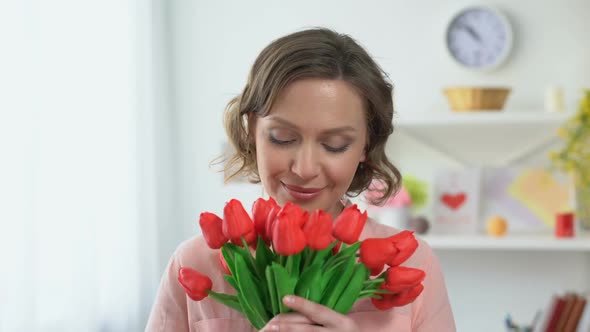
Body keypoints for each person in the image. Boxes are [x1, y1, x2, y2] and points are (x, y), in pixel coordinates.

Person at [146, 27, 456, 332]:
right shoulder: (194, 262)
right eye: (282, 138)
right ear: (253, 129)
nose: (305, 168)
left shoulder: (414, 263)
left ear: (366, 144)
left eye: (335, 144)